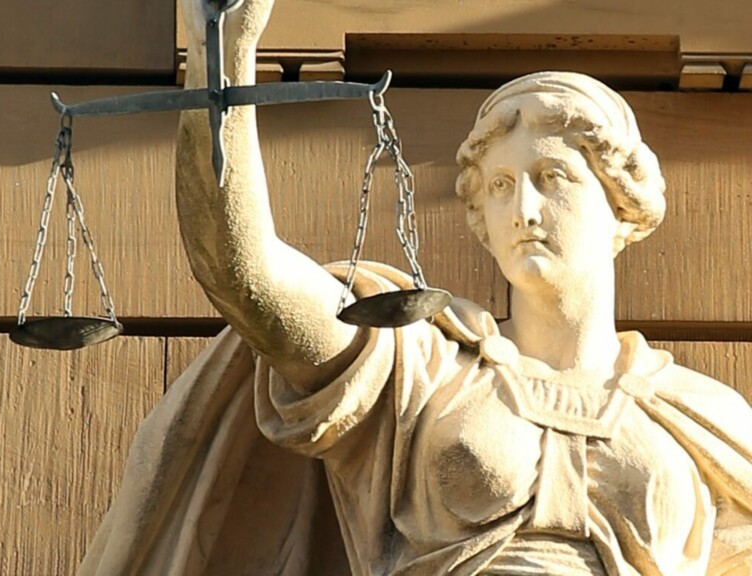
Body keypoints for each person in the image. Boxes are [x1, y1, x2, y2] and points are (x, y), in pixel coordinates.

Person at [79, 1, 752, 574]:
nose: (524, 210)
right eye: (499, 187)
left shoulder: (702, 417)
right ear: (482, 223)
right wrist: (224, 46)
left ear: (621, 206)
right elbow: (246, 277)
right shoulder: (419, 368)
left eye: (553, 178)